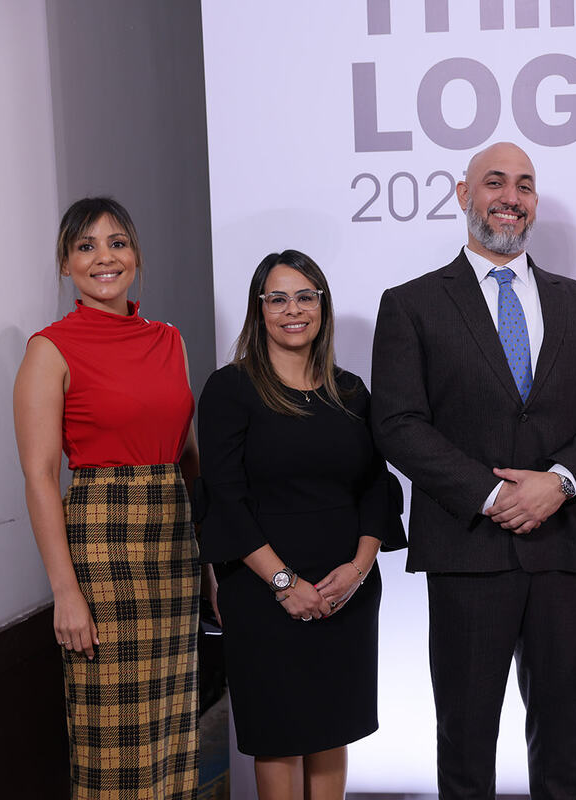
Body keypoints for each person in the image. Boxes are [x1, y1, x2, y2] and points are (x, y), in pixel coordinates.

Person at [370, 141, 576, 800]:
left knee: (563, 740)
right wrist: (491, 494)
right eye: (495, 182)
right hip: (466, 552)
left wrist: (559, 483)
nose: (510, 198)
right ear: (464, 195)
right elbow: (398, 423)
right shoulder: (411, 305)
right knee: (465, 742)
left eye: (524, 185)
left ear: (534, 202)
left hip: (560, 550)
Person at [196, 249, 406, 800]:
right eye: (279, 299)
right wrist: (284, 583)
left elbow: (375, 487)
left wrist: (358, 569)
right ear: (259, 309)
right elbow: (225, 497)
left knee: (333, 730)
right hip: (263, 592)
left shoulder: (351, 392)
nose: (294, 310)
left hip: (345, 590)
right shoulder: (230, 389)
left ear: (323, 306)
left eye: (305, 297)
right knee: (279, 737)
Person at [14, 197, 201, 798]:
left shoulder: (169, 339)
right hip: (103, 548)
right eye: (86, 246)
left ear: (136, 255)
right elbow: (40, 477)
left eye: (117, 242)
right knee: (113, 741)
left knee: (172, 730)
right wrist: (65, 592)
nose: (104, 257)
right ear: (65, 264)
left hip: (174, 546)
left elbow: (188, 459)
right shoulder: (49, 349)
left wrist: (210, 562)